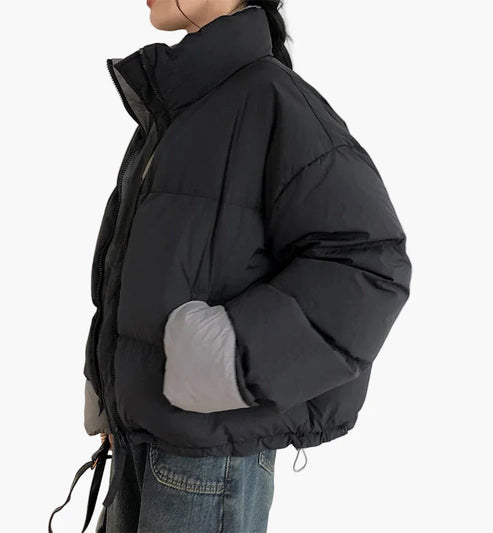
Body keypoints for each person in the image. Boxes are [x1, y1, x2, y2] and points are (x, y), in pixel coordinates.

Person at [82, 1, 412, 532]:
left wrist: (225, 358)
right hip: (137, 440)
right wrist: (114, 388)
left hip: (207, 460)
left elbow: (369, 268)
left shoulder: (273, 101)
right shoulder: (181, 105)